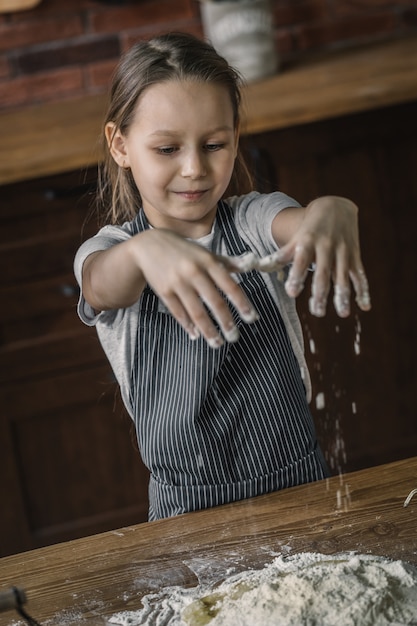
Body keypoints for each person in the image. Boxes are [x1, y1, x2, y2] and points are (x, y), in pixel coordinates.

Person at [74, 32, 371, 521]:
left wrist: (330, 211)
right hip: (185, 506)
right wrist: (145, 250)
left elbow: (300, 227)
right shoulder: (111, 251)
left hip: (296, 481)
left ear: (235, 138)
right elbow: (100, 284)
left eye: (214, 144)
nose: (194, 168)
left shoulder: (254, 221)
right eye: (167, 149)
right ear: (120, 145)